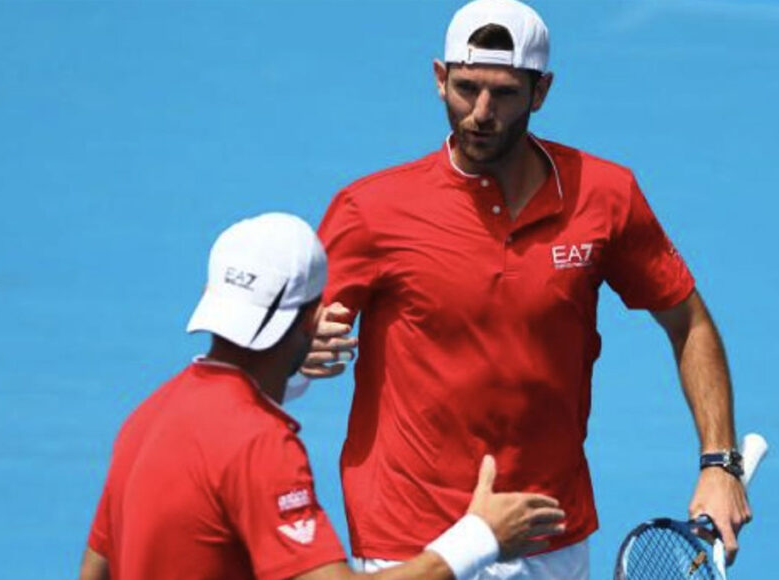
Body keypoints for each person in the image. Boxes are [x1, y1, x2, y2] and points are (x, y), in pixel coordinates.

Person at [301, 0, 752, 578]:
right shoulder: (371, 211)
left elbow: (689, 323)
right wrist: (299, 354)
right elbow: (273, 352)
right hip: (410, 536)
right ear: (439, 79)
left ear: (541, 92)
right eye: (465, 88)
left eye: (504, 92)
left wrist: (720, 464)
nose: (480, 113)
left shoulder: (605, 196)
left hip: (549, 537)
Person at [77, 212, 566, 580]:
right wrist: (479, 538)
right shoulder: (257, 443)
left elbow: (95, 570)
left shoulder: (146, 417)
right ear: (314, 319)